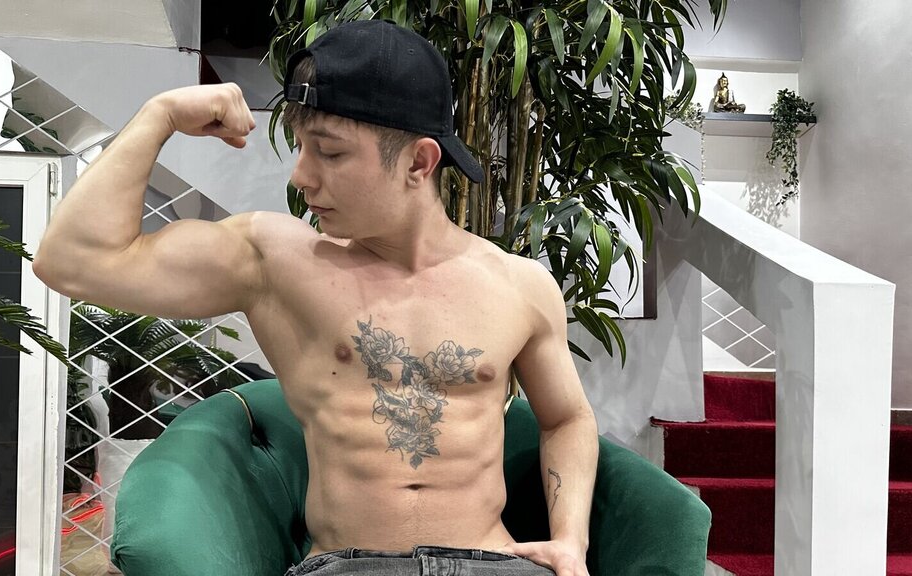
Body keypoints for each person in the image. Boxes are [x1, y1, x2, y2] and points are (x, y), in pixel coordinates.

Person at [34, 20, 598, 576]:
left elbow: (567, 418)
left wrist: (569, 541)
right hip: (349, 566)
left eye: (329, 153)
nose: (301, 175)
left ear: (418, 163)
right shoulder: (276, 263)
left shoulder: (520, 286)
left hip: (491, 563)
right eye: (301, 147)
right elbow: (70, 261)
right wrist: (159, 115)